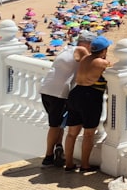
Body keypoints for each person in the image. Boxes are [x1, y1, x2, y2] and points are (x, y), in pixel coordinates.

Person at [40, 30, 96, 167]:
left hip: (47, 89)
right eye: (93, 45)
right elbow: (89, 63)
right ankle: (48, 156)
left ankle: (58, 148)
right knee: (54, 125)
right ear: (88, 44)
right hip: (57, 93)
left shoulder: (68, 48)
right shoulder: (81, 50)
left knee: (59, 123)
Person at [63, 36, 112, 172]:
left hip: (76, 94)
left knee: (71, 133)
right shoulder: (102, 63)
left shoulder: (85, 59)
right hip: (90, 97)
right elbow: (113, 69)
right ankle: (85, 165)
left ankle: (68, 163)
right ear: (103, 51)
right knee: (88, 133)